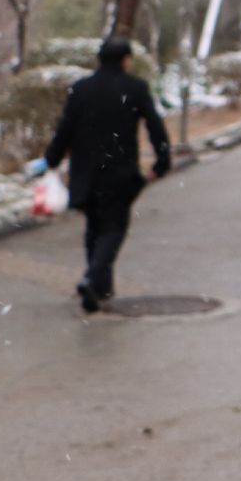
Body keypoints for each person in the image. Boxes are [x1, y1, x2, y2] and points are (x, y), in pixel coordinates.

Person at [32, 38, 171, 313]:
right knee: (114, 228)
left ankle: (99, 289)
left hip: (85, 173)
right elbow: (155, 126)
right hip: (119, 172)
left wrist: (51, 160)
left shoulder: (81, 89)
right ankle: (93, 279)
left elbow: (65, 129)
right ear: (126, 60)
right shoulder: (135, 88)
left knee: (94, 226)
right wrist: (162, 162)